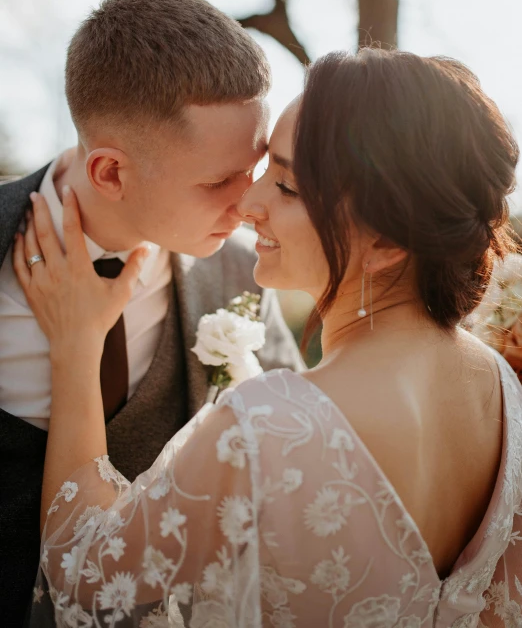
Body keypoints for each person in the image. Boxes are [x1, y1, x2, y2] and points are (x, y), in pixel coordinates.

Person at [18, 48, 522, 627]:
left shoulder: (268, 424)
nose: (247, 204)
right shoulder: (503, 391)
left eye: (285, 186)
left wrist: (78, 348)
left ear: (387, 242)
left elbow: (84, 577)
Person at [0, 0, 302, 626]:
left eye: (252, 172)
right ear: (110, 172)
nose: (247, 206)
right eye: (218, 181)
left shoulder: (242, 276)